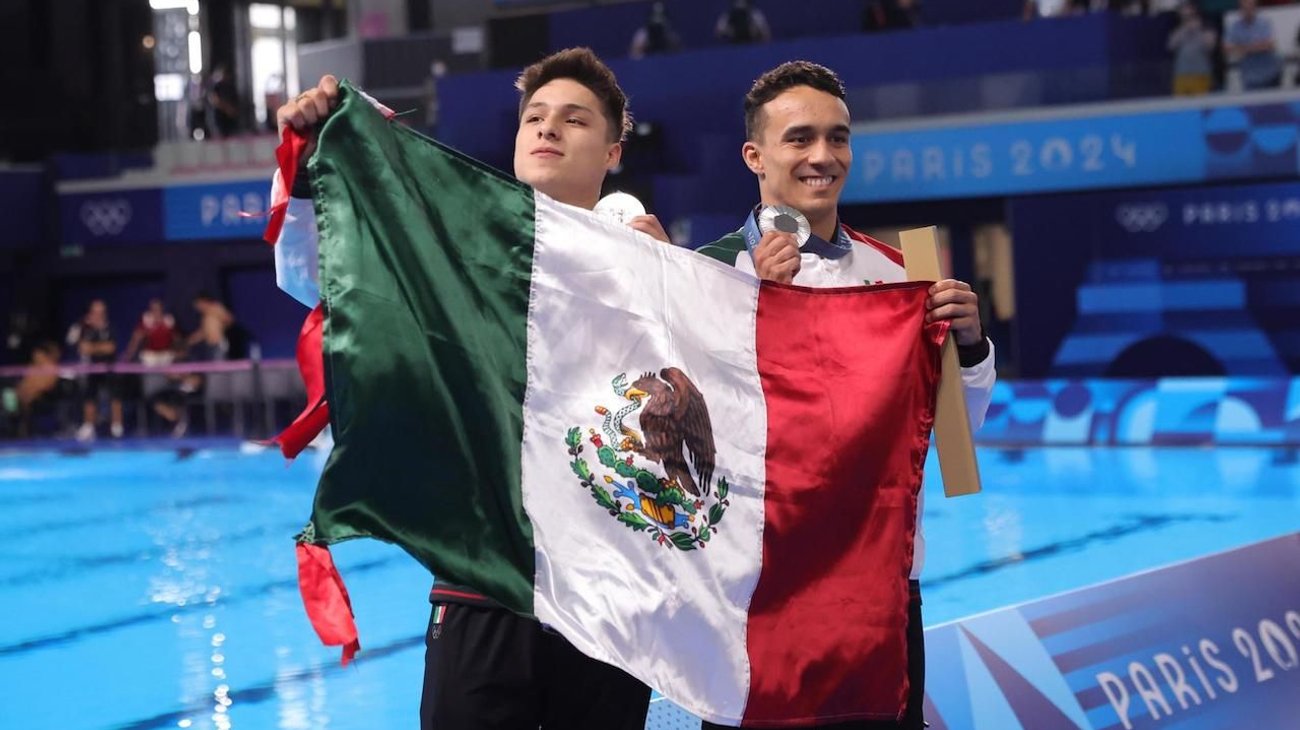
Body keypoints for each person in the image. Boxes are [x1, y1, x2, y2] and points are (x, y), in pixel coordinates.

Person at [275, 47, 670, 729]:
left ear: (613, 152)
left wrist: (668, 291)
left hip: (609, 605)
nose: (548, 129)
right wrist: (318, 163)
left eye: (574, 120)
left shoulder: (659, 267)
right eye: (535, 117)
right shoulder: (451, 250)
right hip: (480, 593)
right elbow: (324, 278)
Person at [694, 61, 996, 730]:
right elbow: (688, 444)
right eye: (800, 138)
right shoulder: (705, 275)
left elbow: (952, 437)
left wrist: (970, 349)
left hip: (876, 592)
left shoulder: (899, 272)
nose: (823, 157)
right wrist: (752, 310)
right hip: (754, 594)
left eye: (839, 137)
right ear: (756, 155)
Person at [66, 299, 124, 441]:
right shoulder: (83, 328)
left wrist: (93, 348)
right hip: (91, 369)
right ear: (90, 313)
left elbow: (111, 348)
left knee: (115, 395)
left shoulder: (110, 328)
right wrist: (98, 348)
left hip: (109, 369)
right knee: (89, 396)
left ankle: (117, 427)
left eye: (101, 312)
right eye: (95, 312)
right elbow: (80, 347)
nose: (98, 315)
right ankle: (89, 427)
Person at [1224, 0, 1282, 90]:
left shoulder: (1264, 23)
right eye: (1245, 8)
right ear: (1240, 9)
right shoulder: (1235, 26)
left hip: (1270, 73)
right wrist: (1257, 46)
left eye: (1250, 7)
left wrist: (1243, 48)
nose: (1248, 10)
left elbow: (1270, 45)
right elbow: (1228, 49)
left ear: (1255, 7)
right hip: (1249, 76)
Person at [1168, 2, 1217, 95]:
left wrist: (1198, 29)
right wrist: (1184, 29)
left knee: (1200, 105)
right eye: (1182, 10)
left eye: (1187, 9)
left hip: (1200, 74)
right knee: (1181, 106)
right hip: (1181, 74)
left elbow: (1210, 46)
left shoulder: (1206, 25)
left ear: (1194, 10)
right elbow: (1171, 45)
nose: (1184, 12)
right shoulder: (1178, 28)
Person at [125, 298, 179, 366]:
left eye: (158, 308)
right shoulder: (146, 320)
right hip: (150, 356)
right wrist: (128, 355)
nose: (156, 311)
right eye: (153, 309)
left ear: (162, 309)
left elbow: (176, 339)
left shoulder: (169, 320)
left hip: (166, 355)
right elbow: (136, 337)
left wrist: (179, 353)